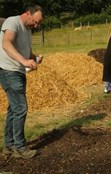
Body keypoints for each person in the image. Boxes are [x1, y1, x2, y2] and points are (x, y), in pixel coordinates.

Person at [0, 5, 44, 159]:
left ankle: (8, 145)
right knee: (21, 108)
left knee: (13, 109)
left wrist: (34, 57)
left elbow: (26, 51)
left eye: (39, 24)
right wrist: (24, 61)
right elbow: (6, 43)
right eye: (35, 21)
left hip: (17, 72)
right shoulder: (12, 22)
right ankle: (19, 147)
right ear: (27, 13)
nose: (36, 25)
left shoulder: (27, 29)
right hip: (8, 71)